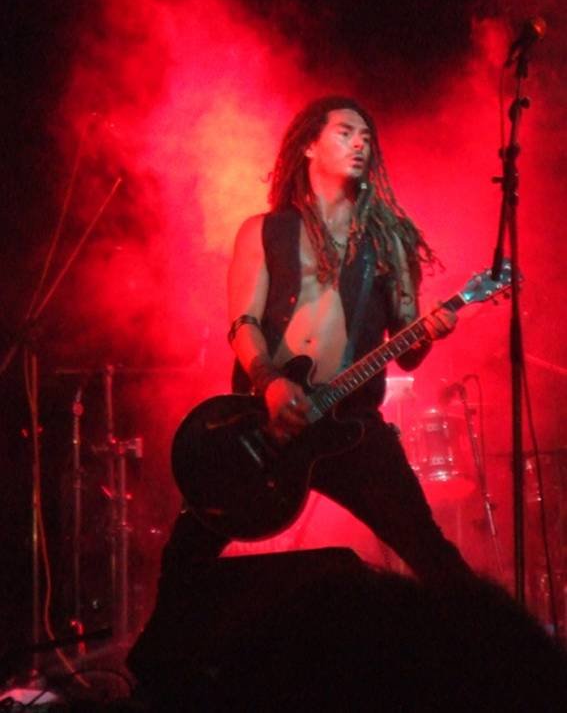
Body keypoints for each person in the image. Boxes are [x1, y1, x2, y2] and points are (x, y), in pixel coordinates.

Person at [163, 95, 472, 585]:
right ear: (309, 145)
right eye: (345, 133)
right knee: (185, 559)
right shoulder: (263, 231)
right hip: (266, 422)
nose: (359, 144)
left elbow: (408, 351)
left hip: (350, 425)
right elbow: (243, 321)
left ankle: (480, 630)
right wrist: (269, 382)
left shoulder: (388, 240)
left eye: (366, 138)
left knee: (432, 555)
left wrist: (430, 332)